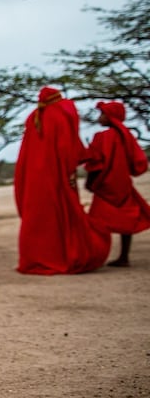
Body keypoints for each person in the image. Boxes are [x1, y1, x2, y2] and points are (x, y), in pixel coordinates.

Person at [13, 86, 110, 275]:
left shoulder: (35, 117)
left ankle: (38, 258)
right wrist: (70, 173)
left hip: (34, 178)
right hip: (56, 176)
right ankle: (64, 256)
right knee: (63, 212)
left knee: (40, 218)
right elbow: (67, 148)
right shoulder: (60, 114)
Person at [84, 100, 150, 267]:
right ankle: (124, 256)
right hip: (123, 185)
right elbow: (138, 163)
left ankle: (95, 255)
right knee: (126, 221)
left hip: (106, 186)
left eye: (103, 114)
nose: (100, 118)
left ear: (110, 117)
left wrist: (90, 182)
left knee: (97, 221)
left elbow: (96, 163)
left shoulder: (103, 137)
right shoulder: (126, 136)